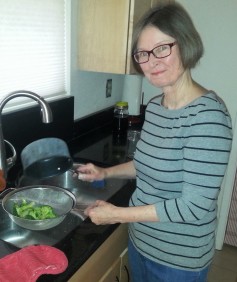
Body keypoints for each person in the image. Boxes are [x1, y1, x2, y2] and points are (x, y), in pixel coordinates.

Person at [75, 2, 232, 281]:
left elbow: (193, 206)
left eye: (162, 48)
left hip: (177, 260)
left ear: (185, 44)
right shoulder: (158, 106)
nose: (152, 61)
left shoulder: (208, 117)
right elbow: (146, 163)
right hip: (141, 243)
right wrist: (105, 172)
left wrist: (117, 215)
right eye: (143, 53)